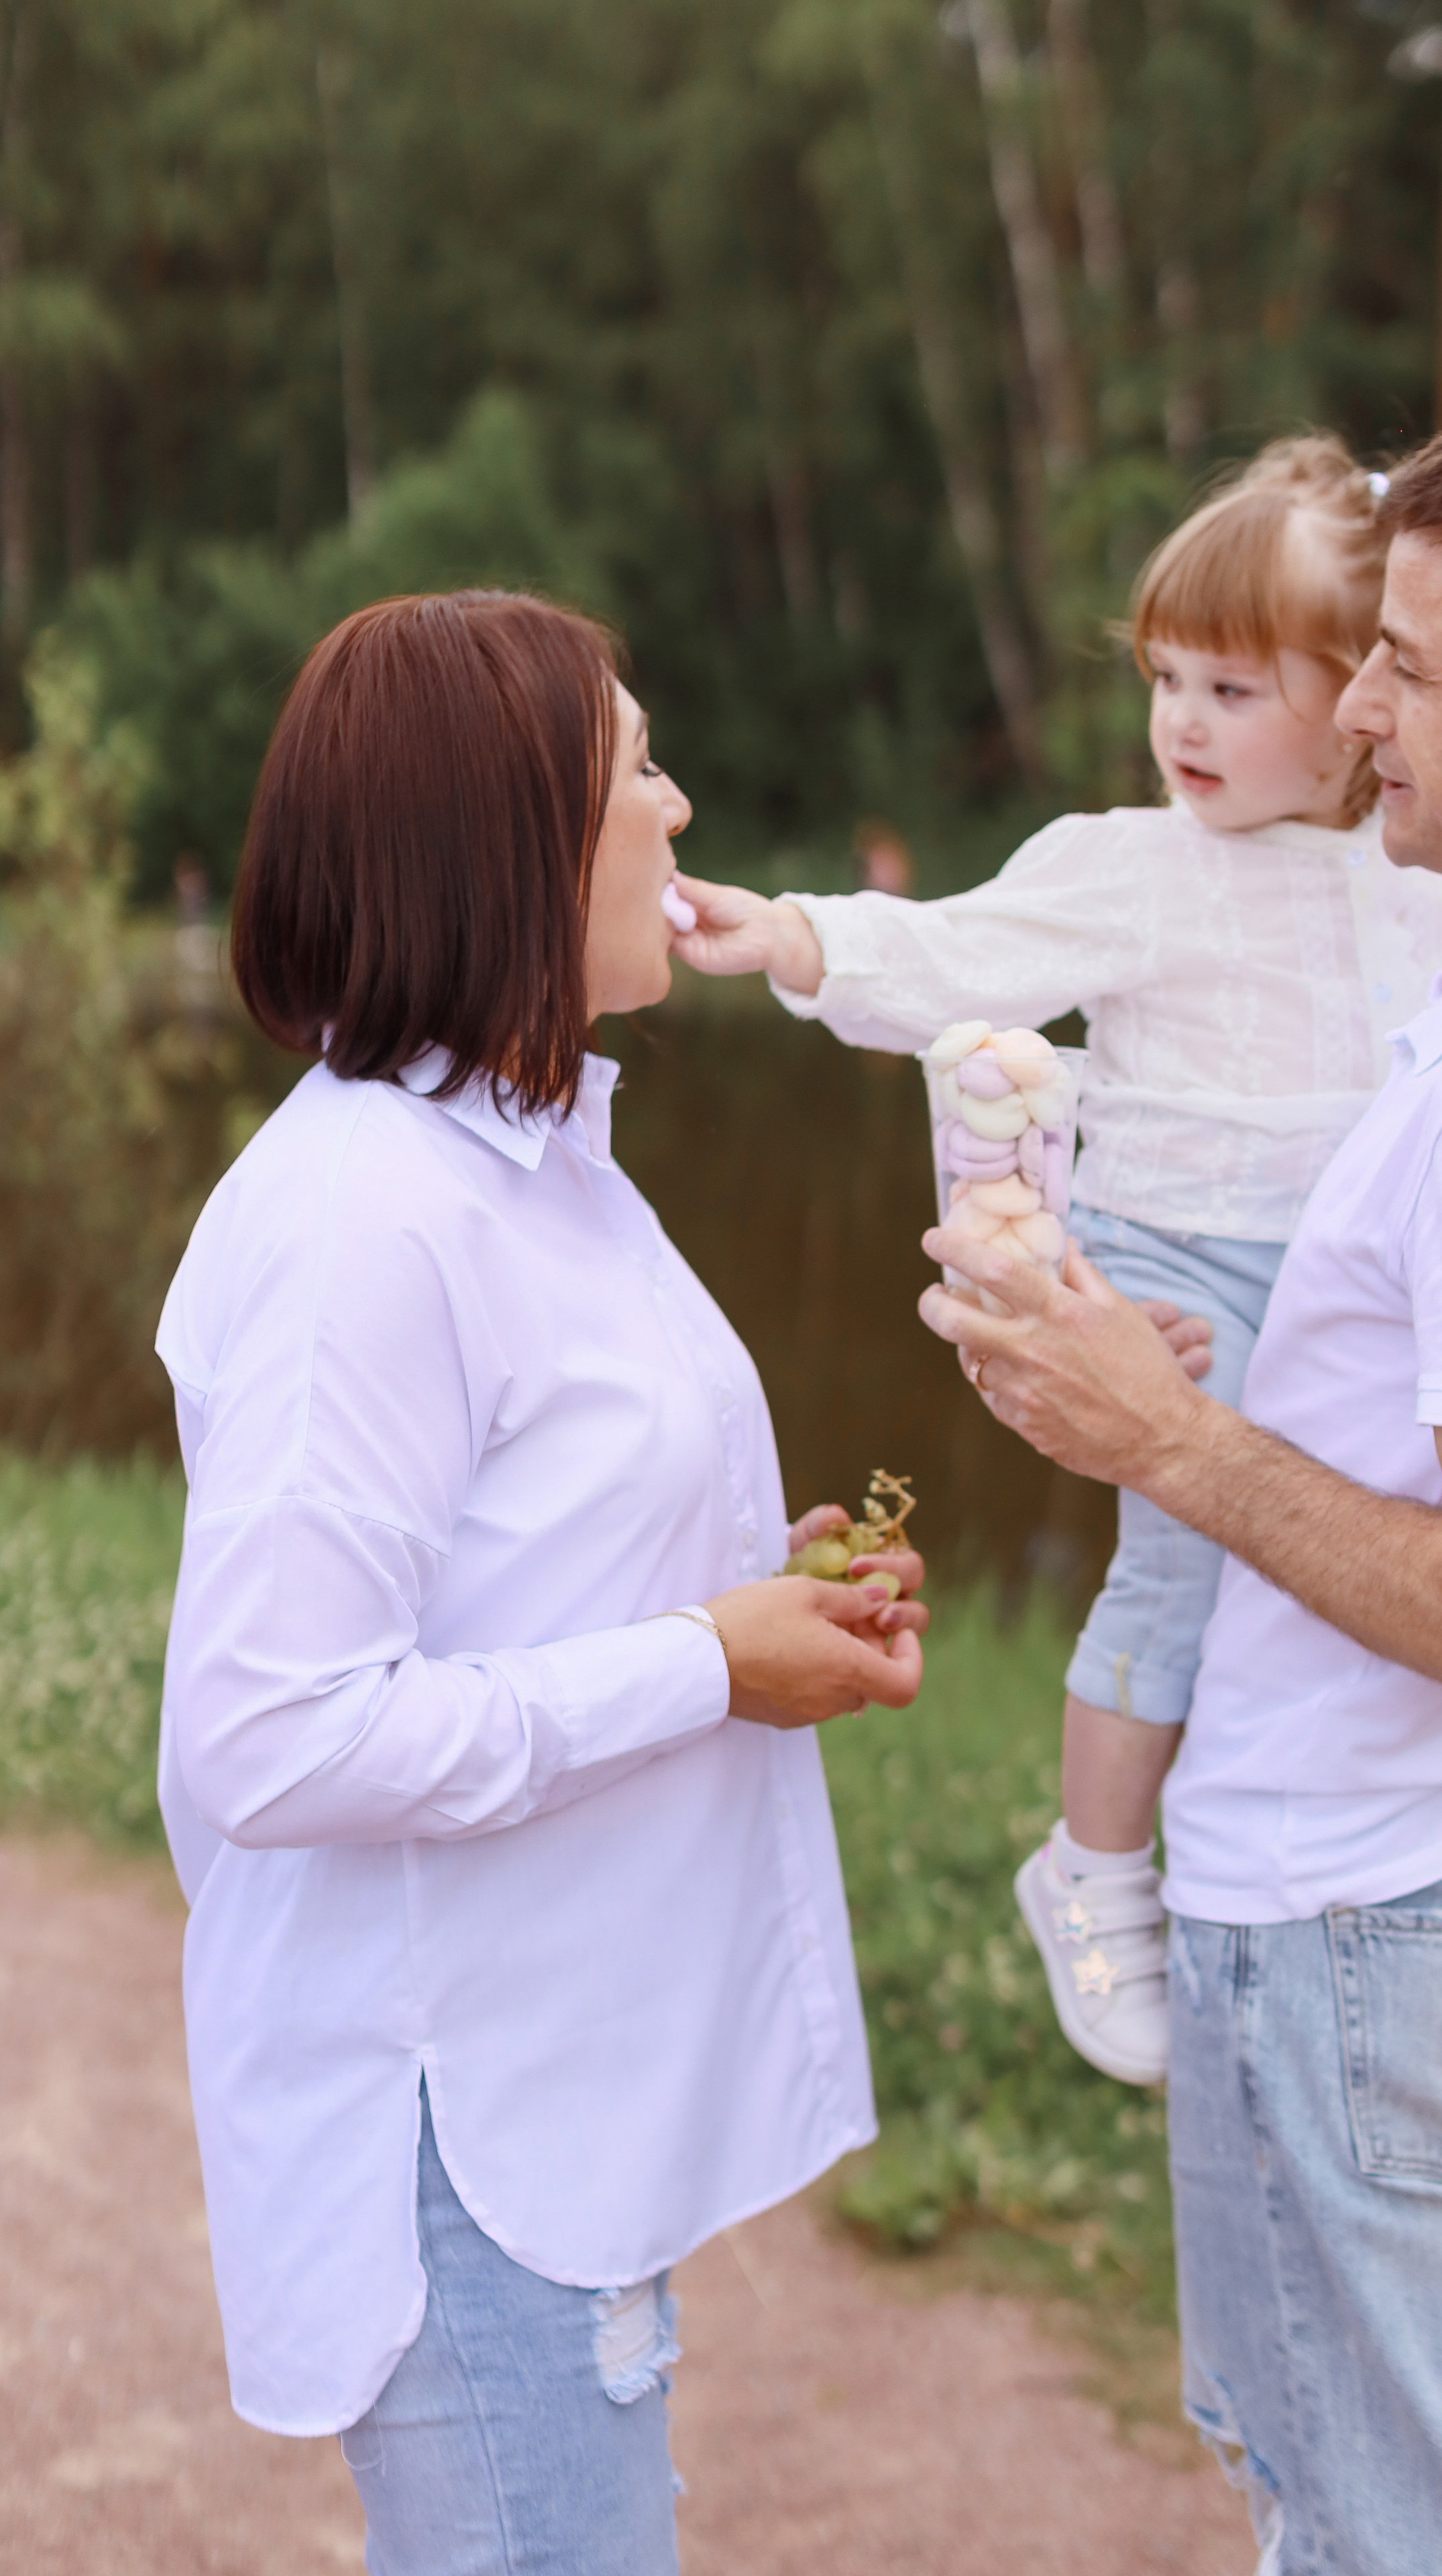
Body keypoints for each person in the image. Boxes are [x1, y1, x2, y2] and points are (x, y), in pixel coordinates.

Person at [918, 392, 1442, 2576]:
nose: (1353, 707)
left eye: (1410, 664)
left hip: (1383, 1912)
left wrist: (1154, 1433)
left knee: (1392, 2542)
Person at [155, 590, 931, 2575]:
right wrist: (706, 1662)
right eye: (636, 772)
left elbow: (529, 1562)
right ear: (505, 843)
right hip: (464, 2136)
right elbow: (273, 1732)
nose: (679, 810)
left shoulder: (541, 1151)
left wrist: (765, 1598)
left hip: (555, 2100)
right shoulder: (366, 1226)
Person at [668, 436, 1442, 2085]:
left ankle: (1322, 1836)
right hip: (1169, 1278)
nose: (1180, 723)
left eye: (1234, 691)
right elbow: (960, 950)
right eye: (1165, 679)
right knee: (1180, 1572)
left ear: (1357, 700)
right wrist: (799, 936)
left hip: (1350, 1281)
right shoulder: (1134, 866)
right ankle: (1096, 1872)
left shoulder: (1423, 875)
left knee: (1374, 1551)